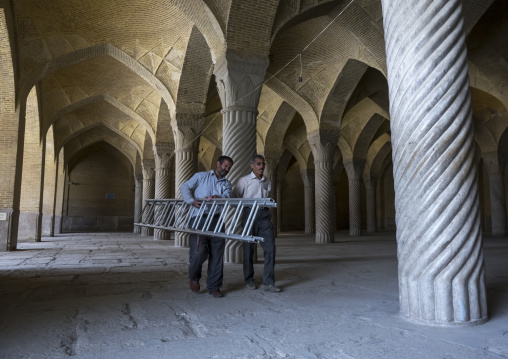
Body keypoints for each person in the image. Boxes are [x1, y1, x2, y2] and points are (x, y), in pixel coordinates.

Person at [180, 155, 234, 298]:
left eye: (229, 167)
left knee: (217, 254)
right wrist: (191, 201)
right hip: (199, 218)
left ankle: (214, 286)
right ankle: (194, 277)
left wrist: (218, 197)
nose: (227, 169)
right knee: (198, 252)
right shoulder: (201, 176)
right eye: (225, 166)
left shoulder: (226, 183)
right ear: (218, 164)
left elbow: (228, 196)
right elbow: (185, 186)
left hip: (216, 220)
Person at [235, 154, 281, 292]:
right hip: (249, 214)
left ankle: (268, 282)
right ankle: (249, 280)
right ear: (252, 165)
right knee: (248, 250)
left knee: (270, 248)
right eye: (259, 164)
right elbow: (236, 198)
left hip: (265, 215)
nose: (261, 166)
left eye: (263, 164)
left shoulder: (267, 181)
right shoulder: (244, 180)